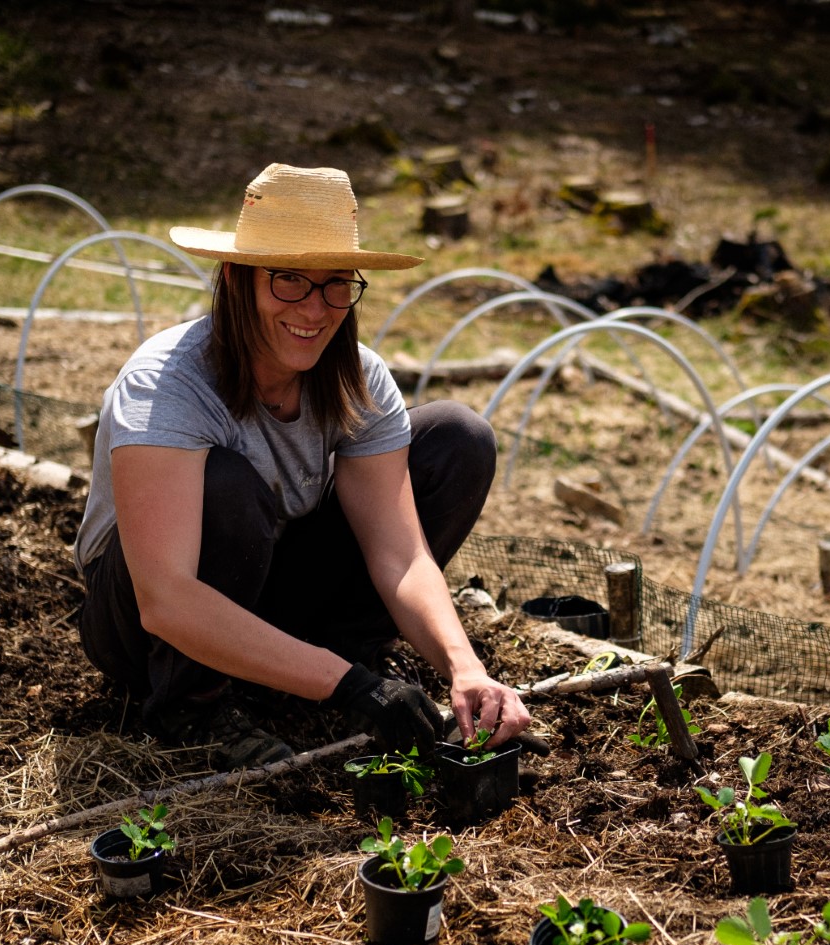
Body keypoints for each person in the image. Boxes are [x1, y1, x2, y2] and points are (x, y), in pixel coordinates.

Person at [73, 162, 531, 768]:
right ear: (238, 280)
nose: (315, 309)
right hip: (144, 630)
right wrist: (348, 688)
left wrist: (464, 668)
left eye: (336, 283)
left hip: (265, 592)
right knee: (229, 484)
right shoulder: (168, 385)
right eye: (289, 280)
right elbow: (167, 599)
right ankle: (194, 707)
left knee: (457, 438)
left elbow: (400, 553)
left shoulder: (357, 379)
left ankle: (339, 653)